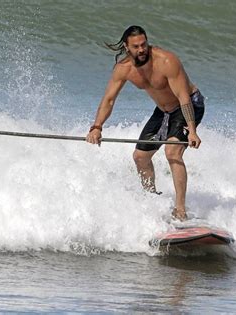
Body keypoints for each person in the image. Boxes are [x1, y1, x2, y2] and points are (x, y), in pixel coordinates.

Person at [86, 25, 205, 221]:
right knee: (140, 157)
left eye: (144, 44)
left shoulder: (166, 61)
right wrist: (97, 127)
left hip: (190, 105)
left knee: (172, 150)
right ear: (126, 46)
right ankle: (152, 202)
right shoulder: (123, 69)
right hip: (164, 110)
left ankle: (181, 211)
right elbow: (109, 99)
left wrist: (191, 130)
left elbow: (184, 98)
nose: (141, 50)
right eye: (136, 46)